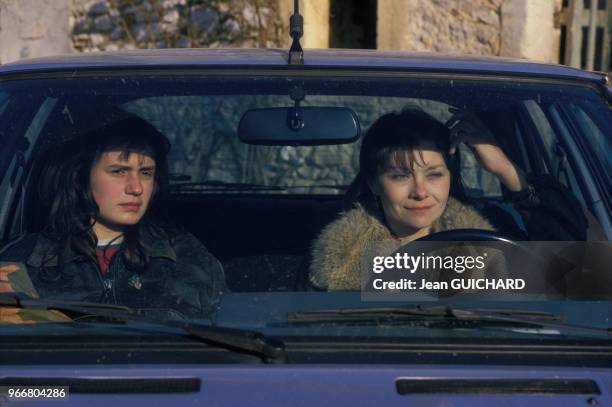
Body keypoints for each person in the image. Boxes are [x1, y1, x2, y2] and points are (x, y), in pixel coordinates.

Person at [309, 109, 587, 291]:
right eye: (400, 176)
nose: (420, 192)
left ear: (450, 178)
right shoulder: (337, 260)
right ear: (373, 183)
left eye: (434, 175)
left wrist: (506, 170)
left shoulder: (491, 238)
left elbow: (575, 270)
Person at [0, 115, 226, 320]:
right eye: (119, 171)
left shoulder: (186, 256)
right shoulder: (24, 262)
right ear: (81, 177)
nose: (136, 188)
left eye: (146, 173)